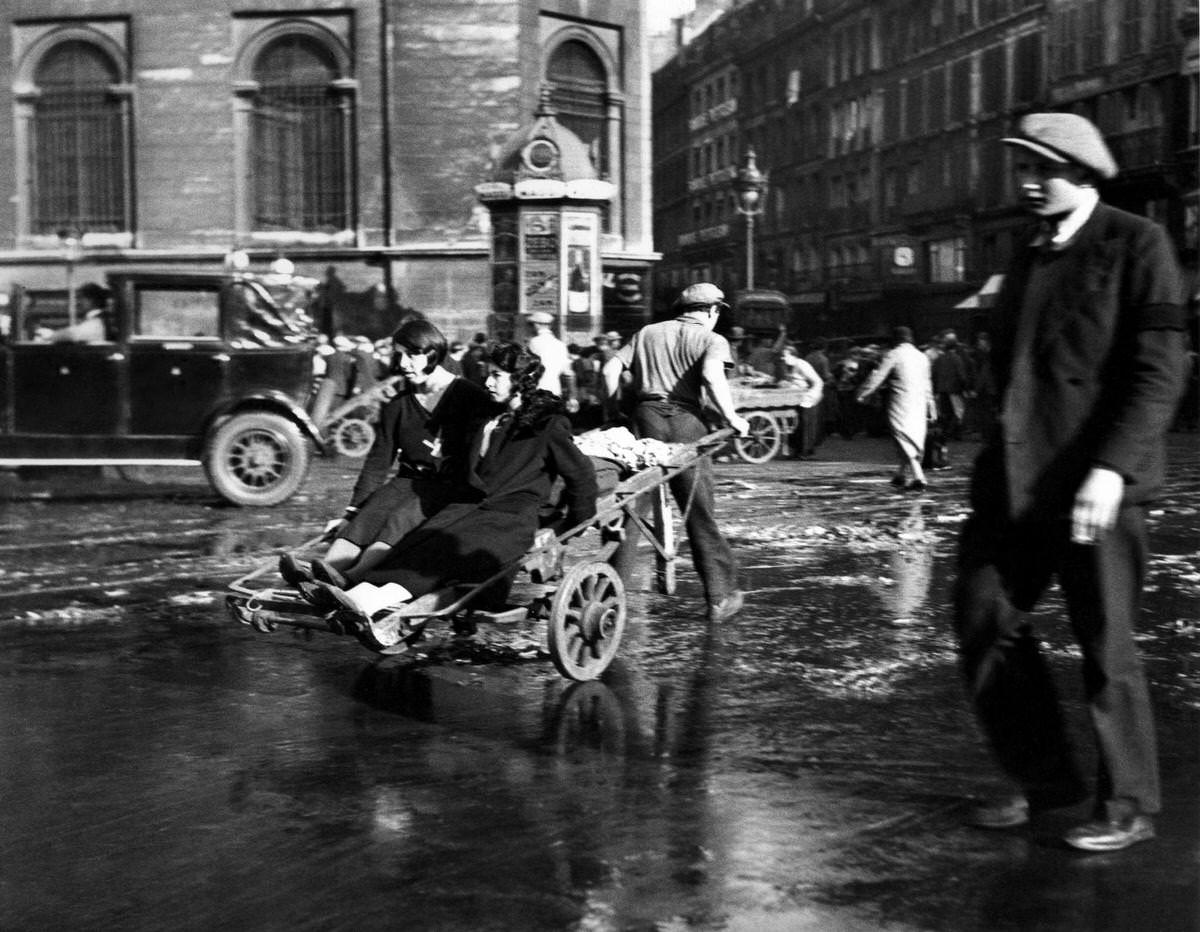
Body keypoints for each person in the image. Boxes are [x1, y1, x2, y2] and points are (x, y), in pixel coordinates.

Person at [953, 113, 1188, 852]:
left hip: (1097, 482)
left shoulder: (1137, 242)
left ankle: (1127, 803)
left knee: (1106, 643)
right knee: (983, 617)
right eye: (1020, 165)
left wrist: (1112, 469)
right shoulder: (1027, 252)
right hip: (1019, 482)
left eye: (1040, 168)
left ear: (1083, 172)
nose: (1025, 181)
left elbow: (1159, 372)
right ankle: (1046, 779)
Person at [302, 342, 598, 620]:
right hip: (467, 508)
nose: (488, 383)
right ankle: (354, 593)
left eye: (496, 376)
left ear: (520, 380)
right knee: (414, 544)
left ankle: (368, 602)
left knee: (443, 554)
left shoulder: (548, 424)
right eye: (487, 376)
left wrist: (576, 522)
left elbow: (581, 474)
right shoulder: (488, 419)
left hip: (510, 520)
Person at [279, 319, 490, 587]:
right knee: (370, 515)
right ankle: (322, 574)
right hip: (409, 479)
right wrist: (351, 512)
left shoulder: (471, 398)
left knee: (400, 521)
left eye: (412, 355)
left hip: (452, 484)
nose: (403, 364)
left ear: (433, 353)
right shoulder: (398, 405)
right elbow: (378, 463)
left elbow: (492, 447)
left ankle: (349, 578)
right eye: (399, 355)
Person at [602, 282, 751, 622]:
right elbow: (713, 376)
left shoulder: (647, 332)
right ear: (712, 311)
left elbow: (609, 369)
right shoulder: (712, 339)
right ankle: (719, 598)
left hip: (645, 419)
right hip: (686, 424)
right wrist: (732, 418)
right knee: (699, 511)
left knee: (630, 509)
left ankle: (609, 597)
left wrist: (611, 413)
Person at [855, 326, 933, 491]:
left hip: (900, 400)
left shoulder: (893, 354)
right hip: (919, 402)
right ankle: (901, 475)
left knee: (902, 435)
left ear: (896, 339)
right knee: (914, 435)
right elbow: (928, 384)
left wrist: (864, 393)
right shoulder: (922, 357)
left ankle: (919, 476)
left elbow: (878, 377)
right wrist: (931, 405)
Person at [777, 343, 824, 458]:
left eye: (785, 355)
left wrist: (810, 397)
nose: (783, 358)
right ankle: (797, 451)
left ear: (793, 355)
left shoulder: (802, 365)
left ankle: (805, 452)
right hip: (796, 398)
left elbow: (818, 382)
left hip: (808, 399)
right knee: (797, 426)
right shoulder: (788, 366)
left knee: (805, 426)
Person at [525, 310, 575, 400]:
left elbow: (526, 369)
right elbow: (568, 374)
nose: (530, 328)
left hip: (536, 392)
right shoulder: (561, 345)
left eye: (531, 325)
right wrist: (572, 397)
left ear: (537, 325)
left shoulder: (534, 342)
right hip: (555, 391)